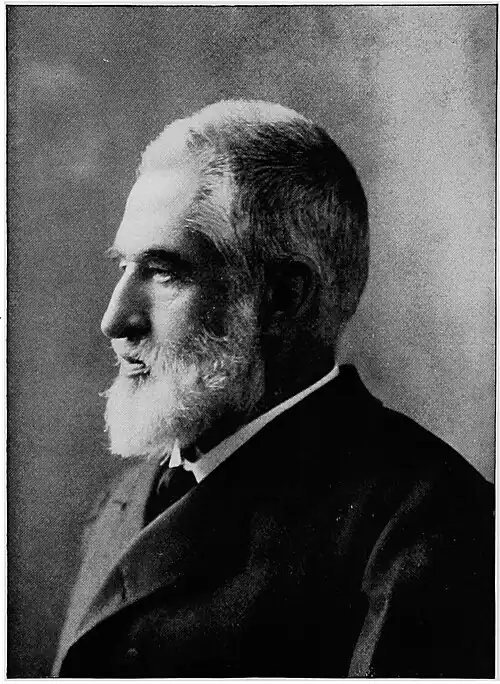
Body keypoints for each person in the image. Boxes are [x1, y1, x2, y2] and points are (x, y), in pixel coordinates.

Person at [52, 100, 494, 677]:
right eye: (124, 267)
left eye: (164, 272)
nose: (115, 319)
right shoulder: (128, 499)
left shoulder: (428, 527)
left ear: (282, 299)